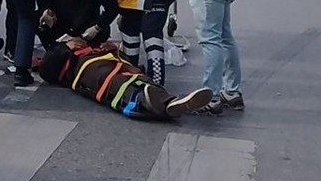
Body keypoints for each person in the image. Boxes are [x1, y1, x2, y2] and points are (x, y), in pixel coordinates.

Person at [60, 0, 178, 86]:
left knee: (151, 34)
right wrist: (72, 33)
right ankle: (133, 71)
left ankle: (157, 80)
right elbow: (89, 8)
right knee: (128, 29)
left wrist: (96, 28)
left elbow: (111, 9)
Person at [38, 36, 213, 119]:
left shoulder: (95, 45)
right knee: (115, 83)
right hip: (88, 69)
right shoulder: (63, 54)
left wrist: (113, 50)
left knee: (137, 77)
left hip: (113, 62)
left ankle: (166, 102)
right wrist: (65, 47)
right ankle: (161, 103)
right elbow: (47, 71)